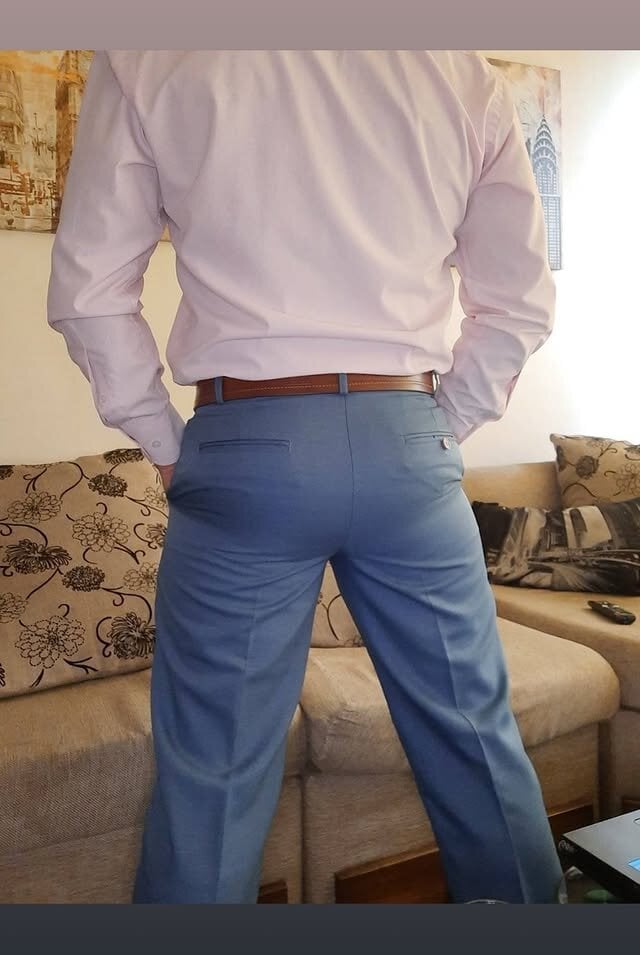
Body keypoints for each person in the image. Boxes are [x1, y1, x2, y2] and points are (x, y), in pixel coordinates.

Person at [47, 50, 563, 904]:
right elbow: (519, 302)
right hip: (407, 435)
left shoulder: (150, 47)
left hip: (246, 443)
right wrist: (441, 425)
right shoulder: (461, 67)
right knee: (478, 743)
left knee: (212, 781)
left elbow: (89, 294)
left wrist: (163, 439)